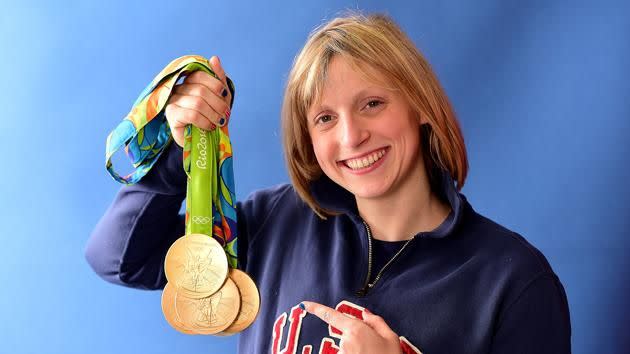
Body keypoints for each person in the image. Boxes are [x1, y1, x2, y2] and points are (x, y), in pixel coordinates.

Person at [85, 12, 571, 354]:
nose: (351, 136)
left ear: (421, 105)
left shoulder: (514, 282)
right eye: (324, 118)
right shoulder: (271, 223)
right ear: (308, 140)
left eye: (372, 104)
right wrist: (179, 154)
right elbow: (119, 259)